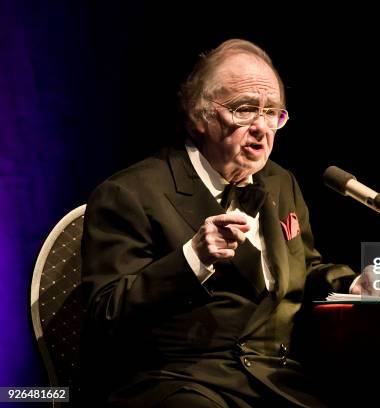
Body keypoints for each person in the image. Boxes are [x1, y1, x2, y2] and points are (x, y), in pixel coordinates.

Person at [79, 39, 361, 407]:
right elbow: (105, 312)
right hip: (179, 381)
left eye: (273, 112)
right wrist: (192, 258)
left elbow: (303, 267)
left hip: (276, 379)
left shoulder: (281, 182)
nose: (262, 127)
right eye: (244, 110)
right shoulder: (129, 192)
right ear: (200, 116)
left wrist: (353, 282)